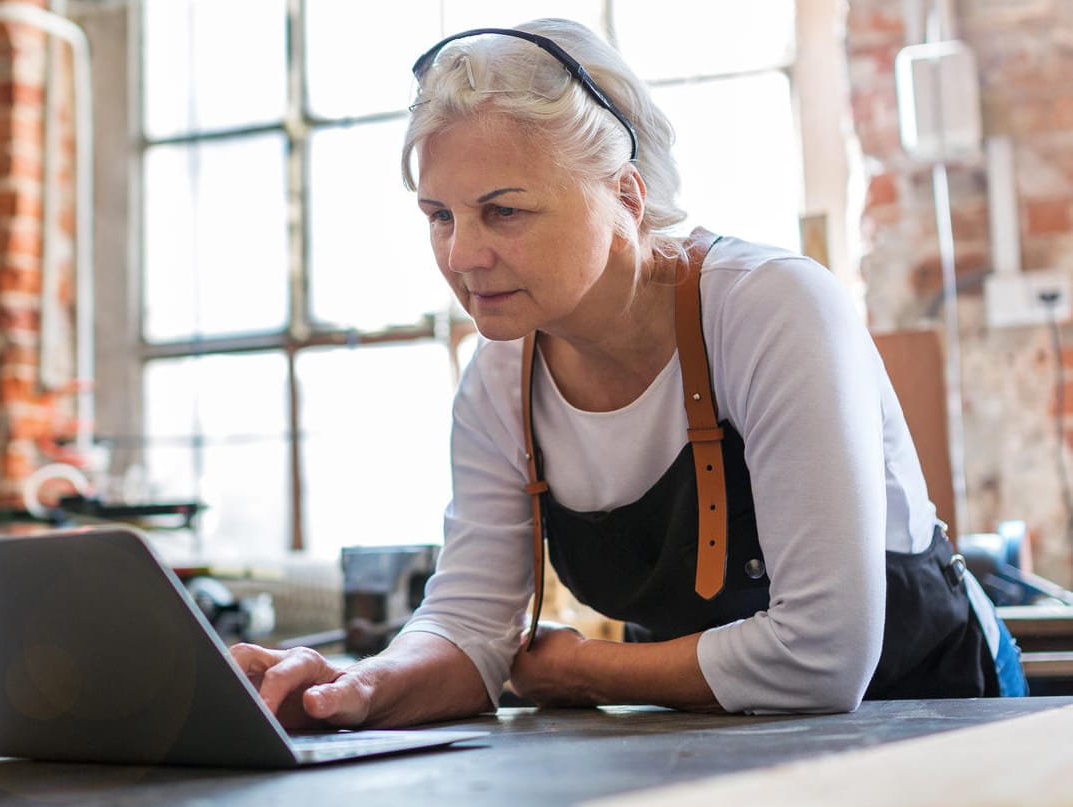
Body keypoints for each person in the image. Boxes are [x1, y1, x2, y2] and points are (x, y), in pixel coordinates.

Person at [230, 18, 1026, 728]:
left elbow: (823, 655)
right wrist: (360, 687)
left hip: (933, 719)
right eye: (440, 216)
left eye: (504, 211)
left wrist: (584, 670)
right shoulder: (498, 378)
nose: (461, 256)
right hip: (710, 743)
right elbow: (471, 628)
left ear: (627, 195)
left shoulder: (772, 309)